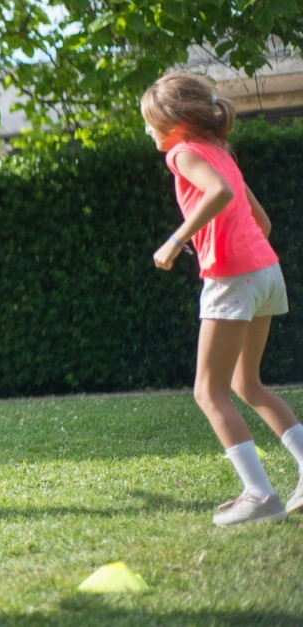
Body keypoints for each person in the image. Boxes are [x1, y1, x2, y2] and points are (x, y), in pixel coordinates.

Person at [144, 72, 303, 526]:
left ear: (176, 122)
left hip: (233, 278)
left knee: (208, 391)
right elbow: (263, 223)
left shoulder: (183, 153)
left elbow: (219, 194)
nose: (150, 132)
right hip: (266, 271)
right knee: (246, 385)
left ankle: (260, 495)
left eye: (152, 122)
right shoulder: (221, 153)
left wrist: (176, 241)